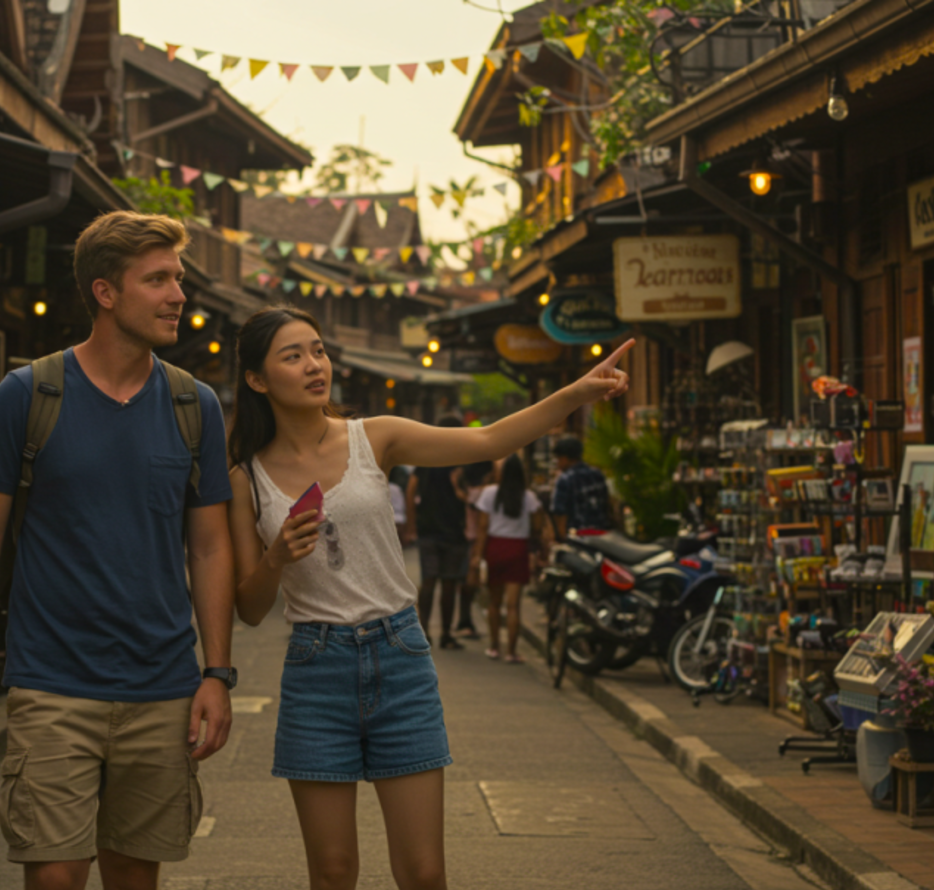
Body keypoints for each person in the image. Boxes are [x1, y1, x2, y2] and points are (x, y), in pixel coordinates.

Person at [225, 307, 634, 890]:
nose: (315, 365)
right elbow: (249, 606)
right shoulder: (246, 478)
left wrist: (576, 392)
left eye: (318, 349)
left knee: (423, 873)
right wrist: (277, 556)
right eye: (293, 356)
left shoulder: (376, 437)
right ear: (257, 379)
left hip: (399, 657)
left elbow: (489, 439)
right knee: (333, 872)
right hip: (316, 669)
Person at [0, 211, 236, 890]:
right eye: (157, 279)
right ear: (106, 292)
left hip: (162, 685)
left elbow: (211, 546)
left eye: (178, 279)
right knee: (55, 877)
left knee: (135, 877)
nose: (178, 295)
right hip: (50, 681)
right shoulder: (29, 395)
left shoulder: (196, 406)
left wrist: (217, 672)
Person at [470, 454, 545, 664]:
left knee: (495, 603)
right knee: (514, 606)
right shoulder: (528, 496)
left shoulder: (489, 493)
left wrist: (477, 555)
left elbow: (483, 527)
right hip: (518, 549)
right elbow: (537, 527)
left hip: (495, 547)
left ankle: (494, 646)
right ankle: (511, 651)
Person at [404, 418, 467, 650]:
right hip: (454, 532)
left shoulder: (427, 458)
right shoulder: (462, 459)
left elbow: (411, 491)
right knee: (448, 584)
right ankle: (446, 634)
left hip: (428, 529)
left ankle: (425, 631)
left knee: (429, 581)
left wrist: (412, 524)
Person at [455, 460, 495, 640]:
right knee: (469, 583)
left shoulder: (466, 491)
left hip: (466, 538)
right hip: (477, 541)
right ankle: (465, 620)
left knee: (466, 582)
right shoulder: (485, 493)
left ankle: (465, 620)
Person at [549, 434, 614, 537]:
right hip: (603, 535)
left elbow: (560, 514)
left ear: (565, 458)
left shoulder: (564, 479)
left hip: (579, 537)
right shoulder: (597, 474)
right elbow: (609, 505)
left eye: (558, 458)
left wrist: (562, 538)